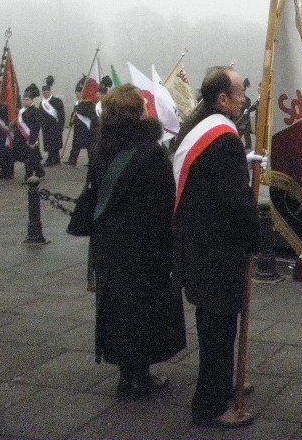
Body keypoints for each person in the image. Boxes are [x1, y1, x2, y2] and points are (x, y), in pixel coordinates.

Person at [82, 84, 185, 398]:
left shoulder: (102, 149)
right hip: (144, 246)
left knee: (117, 311)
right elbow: (164, 204)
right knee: (144, 311)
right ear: (135, 115)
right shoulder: (151, 152)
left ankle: (127, 375)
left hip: (110, 245)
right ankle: (141, 375)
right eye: (142, 107)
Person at [171, 67, 261, 428]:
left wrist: (244, 160)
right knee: (219, 331)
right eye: (239, 92)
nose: (245, 98)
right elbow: (236, 203)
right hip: (216, 254)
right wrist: (256, 239)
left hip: (201, 247)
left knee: (217, 326)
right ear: (222, 99)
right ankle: (209, 405)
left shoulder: (204, 128)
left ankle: (225, 382)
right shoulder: (223, 139)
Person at [15, 84, 45, 180]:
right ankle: (40, 171)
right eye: (24, 99)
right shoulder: (22, 111)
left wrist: (31, 140)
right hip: (23, 139)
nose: (25, 101)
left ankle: (28, 177)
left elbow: (35, 127)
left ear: (32, 100)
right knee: (33, 157)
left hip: (31, 138)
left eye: (27, 99)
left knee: (29, 159)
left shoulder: (35, 111)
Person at [67, 77, 94, 167]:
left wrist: (80, 110)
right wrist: (71, 121)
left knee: (89, 146)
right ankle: (72, 160)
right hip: (78, 127)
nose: (76, 95)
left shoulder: (89, 103)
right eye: (76, 93)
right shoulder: (77, 103)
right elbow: (74, 114)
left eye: (78, 93)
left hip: (86, 127)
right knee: (75, 145)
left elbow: (90, 114)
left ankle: (91, 161)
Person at [39, 75, 66, 166]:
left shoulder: (57, 101)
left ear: (50, 92)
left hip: (55, 126)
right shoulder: (41, 103)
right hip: (46, 127)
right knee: (49, 143)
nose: (46, 93)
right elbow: (40, 115)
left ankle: (51, 160)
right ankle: (56, 159)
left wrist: (61, 125)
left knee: (54, 143)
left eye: (47, 91)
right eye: (44, 92)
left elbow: (61, 114)